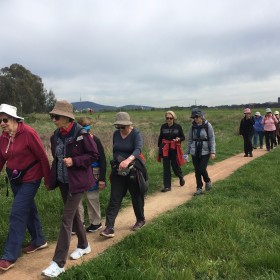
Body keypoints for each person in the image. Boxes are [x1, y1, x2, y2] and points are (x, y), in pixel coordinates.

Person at [41, 100, 99, 278]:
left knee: (66, 218)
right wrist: (51, 179)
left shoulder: (81, 134)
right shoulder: (55, 136)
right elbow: (57, 159)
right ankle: (83, 245)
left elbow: (93, 155)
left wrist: (75, 161)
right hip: (63, 182)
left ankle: (58, 263)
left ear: (67, 117)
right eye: (52, 116)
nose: (53, 119)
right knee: (73, 216)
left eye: (56, 116)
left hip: (78, 182)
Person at [0, 104, 50, 271]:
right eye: (0, 121)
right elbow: (1, 158)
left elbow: (43, 157)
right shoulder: (4, 137)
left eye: (5, 120)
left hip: (31, 177)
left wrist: (48, 179)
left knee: (17, 212)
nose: (2, 124)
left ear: (14, 119)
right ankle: (39, 240)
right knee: (28, 208)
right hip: (14, 178)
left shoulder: (28, 133)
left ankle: (9, 255)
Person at [100, 112, 146, 238]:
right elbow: (115, 150)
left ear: (129, 125)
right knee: (114, 198)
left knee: (136, 196)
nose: (121, 129)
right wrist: (117, 161)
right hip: (118, 171)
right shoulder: (116, 134)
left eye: (123, 127)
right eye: (118, 127)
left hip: (133, 170)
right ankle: (109, 227)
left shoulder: (135, 134)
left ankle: (140, 219)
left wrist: (128, 160)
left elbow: (138, 149)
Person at [76, 117, 106, 233]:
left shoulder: (95, 140)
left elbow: (102, 159)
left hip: (94, 172)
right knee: (77, 198)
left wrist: (102, 179)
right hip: (79, 172)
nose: (86, 132)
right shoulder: (76, 140)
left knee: (92, 197)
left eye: (87, 129)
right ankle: (79, 222)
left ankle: (96, 223)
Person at [186, 108, 216, 195]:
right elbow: (190, 140)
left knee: (202, 168)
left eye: (197, 117)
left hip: (205, 151)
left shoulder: (208, 125)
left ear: (201, 116)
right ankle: (199, 187)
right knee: (197, 170)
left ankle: (207, 180)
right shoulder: (192, 127)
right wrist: (187, 152)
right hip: (194, 150)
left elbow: (212, 138)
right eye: (194, 117)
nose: (196, 119)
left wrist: (213, 151)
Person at [157, 111, 185, 192]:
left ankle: (180, 176)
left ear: (173, 118)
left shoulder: (178, 127)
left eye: (170, 118)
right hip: (165, 148)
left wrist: (178, 139)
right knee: (166, 167)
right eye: (167, 118)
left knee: (175, 165)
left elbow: (183, 137)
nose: (169, 119)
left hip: (174, 148)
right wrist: (159, 148)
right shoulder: (163, 126)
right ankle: (167, 186)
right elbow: (160, 137)